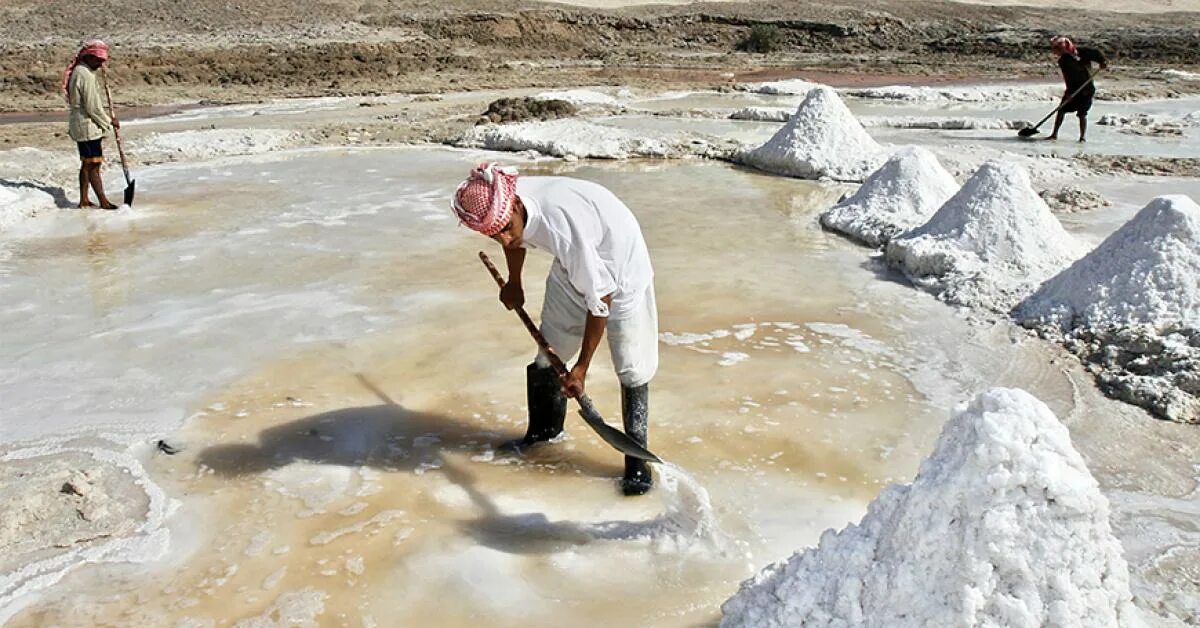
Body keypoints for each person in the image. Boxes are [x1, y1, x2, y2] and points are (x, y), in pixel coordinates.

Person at [451, 163, 659, 496]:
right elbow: (513, 240)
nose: (503, 237)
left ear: (516, 207)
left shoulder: (563, 228)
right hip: (572, 267)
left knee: (632, 366)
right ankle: (543, 435)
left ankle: (637, 464)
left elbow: (600, 300)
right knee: (549, 354)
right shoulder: (503, 203)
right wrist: (515, 283)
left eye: (505, 228)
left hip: (621, 270)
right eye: (494, 234)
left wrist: (581, 369)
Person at [63, 39, 120, 209]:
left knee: (87, 164)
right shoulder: (84, 74)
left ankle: (84, 200)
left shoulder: (84, 72)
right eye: (97, 60)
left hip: (83, 125)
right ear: (88, 57)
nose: (100, 63)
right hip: (87, 126)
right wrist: (109, 123)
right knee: (93, 164)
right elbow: (92, 107)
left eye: (102, 61)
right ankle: (103, 201)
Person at [1047, 36, 1108, 143]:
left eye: (1057, 49)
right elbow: (1068, 77)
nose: (1055, 52)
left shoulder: (1082, 52)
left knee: (1082, 113)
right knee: (1061, 110)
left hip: (1087, 88)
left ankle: (1082, 137)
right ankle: (1054, 134)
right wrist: (1069, 93)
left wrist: (1102, 62)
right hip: (1073, 88)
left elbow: (1097, 54)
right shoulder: (1063, 61)